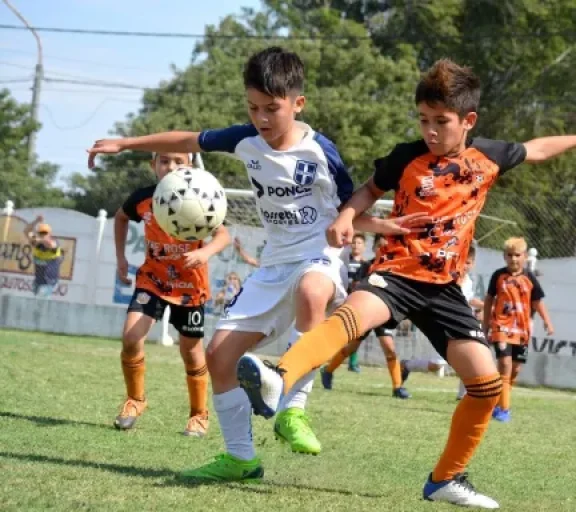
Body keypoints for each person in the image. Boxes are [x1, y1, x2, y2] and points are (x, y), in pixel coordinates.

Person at [236, 58, 576, 507]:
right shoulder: (407, 155)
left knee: (486, 384)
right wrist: (344, 215)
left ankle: (447, 478)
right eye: (423, 120)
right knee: (351, 319)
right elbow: (366, 192)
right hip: (397, 273)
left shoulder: (488, 157)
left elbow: (538, 148)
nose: (431, 130)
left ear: (468, 121)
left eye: (441, 122)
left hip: (446, 290)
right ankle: (278, 378)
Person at [87, 46, 419, 480]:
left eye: (271, 109)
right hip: (274, 262)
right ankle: (242, 458)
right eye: (253, 108)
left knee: (312, 290)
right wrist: (127, 144)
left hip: (320, 252)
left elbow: (345, 209)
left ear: (297, 103)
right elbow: (187, 139)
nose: (261, 118)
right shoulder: (245, 140)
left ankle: (293, 411)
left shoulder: (321, 152)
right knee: (218, 356)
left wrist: (379, 226)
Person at [108, 151, 231, 436]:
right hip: (152, 280)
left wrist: (205, 252)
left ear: (190, 165)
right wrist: (121, 258)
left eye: (178, 161)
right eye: (164, 161)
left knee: (190, 351)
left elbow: (222, 235)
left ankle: (199, 415)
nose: (171, 166)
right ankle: (135, 400)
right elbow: (120, 218)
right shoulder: (144, 198)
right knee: (130, 337)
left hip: (190, 286)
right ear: (153, 166)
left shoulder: (201, 193)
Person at [321, 233, 411, 398]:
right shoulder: (366, 266)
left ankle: (397, 387)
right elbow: (357, 287)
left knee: (390, 349)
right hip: (366, 312)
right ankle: (327, 370)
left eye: (386, 247)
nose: (383, 250)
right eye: (379, 247)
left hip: (384, 313)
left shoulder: (394, 268)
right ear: (374, 248)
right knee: (351, 347)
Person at [484, 237, 553, 423]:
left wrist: (547, 321)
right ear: (504, 256)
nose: (513, 259)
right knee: (504, 365)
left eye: (517, 255)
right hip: (501, 326)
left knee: (515, 369)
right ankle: (504, 410)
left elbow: (537, 301)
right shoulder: (498, 276)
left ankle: (499, 402)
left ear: (524, 256)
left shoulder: (529, 277)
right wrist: (485, 323)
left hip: (522, 330)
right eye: (509, 255)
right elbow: (489, 299)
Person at [402, 245, 482, 397]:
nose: (465, 266)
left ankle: (462, 395)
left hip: (461, 326)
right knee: (437, 365)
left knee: (468, 356)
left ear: (473, 263)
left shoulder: (469, 281)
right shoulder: (448, 278)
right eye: (463, 261)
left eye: (469, 262)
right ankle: (407, 365)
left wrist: (483, 306)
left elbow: (468, 299)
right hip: (443, 325)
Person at [344, 232, 367, 373]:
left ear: (364, 246)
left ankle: (352, 362)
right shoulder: (344, 260)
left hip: (357, 300)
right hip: (342, 298)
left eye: (359, 243)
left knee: (355, 332)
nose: (356, 245)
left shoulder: (366, 264)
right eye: (354, 242)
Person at [23, 216, 63, 298]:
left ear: (50, 234)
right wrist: (36, 221)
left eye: (45, 233)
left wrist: (39, 238)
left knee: (41, 298)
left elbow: (50, 244)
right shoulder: (37, 244)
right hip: (38, 281)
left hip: (50, 281)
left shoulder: (54, 243)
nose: (43, 235)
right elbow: (26, 231)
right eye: (41, 233)